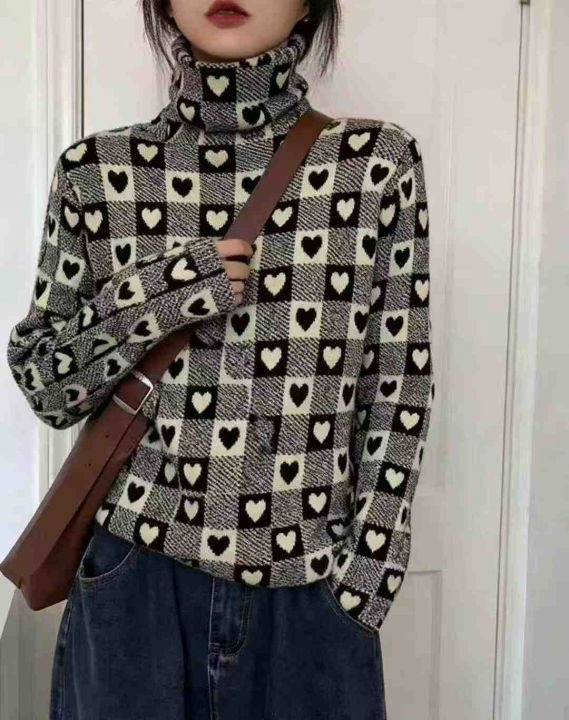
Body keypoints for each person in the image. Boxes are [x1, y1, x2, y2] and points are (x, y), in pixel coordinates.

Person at [6, 0, 435, 717]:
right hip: (135, 579)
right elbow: (46, 385)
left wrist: (364, 581)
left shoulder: (374, 166)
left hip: (310, 589)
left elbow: (399, 386)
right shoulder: (96, 172)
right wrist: (162, 292)